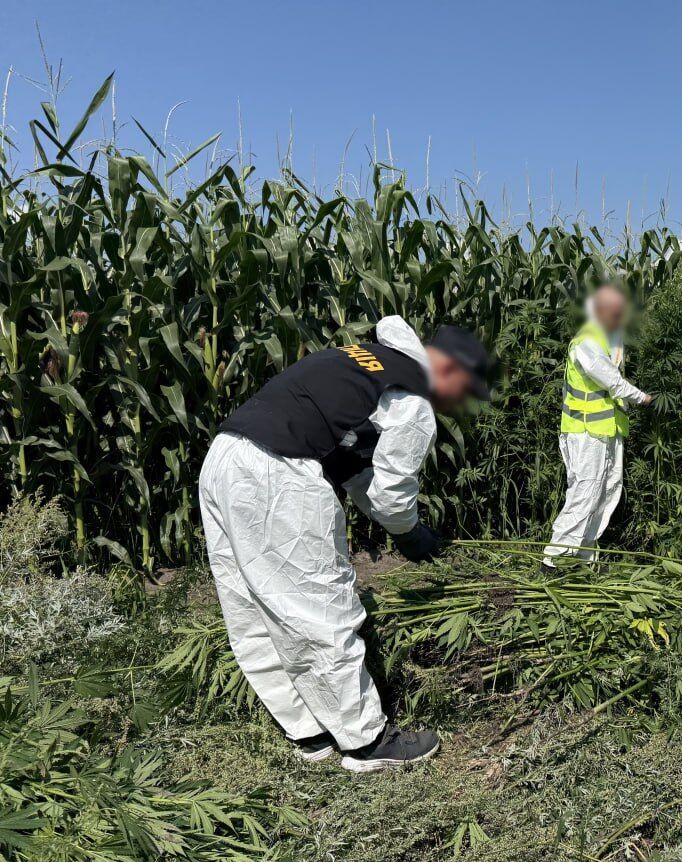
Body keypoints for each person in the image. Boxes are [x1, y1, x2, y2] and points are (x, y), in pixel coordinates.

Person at [199, 315, 490, 773]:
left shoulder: (371, 362)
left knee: (253, 609)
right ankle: (367, 742)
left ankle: (309, 732)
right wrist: (410, 533)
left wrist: (388, 515)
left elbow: (353, 470)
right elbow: (393, 495)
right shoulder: (412, 400)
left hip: (225, 459)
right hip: (278, 474)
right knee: (322, 609)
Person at [542, 285, 651, 569]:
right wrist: (643, 397)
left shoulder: (607, 340)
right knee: (585, 492)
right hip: (586, 431)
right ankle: (554, 560)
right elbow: (610, 381)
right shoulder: (587, 342)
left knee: (607, 491)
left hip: (608, 430)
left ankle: (582, 558)